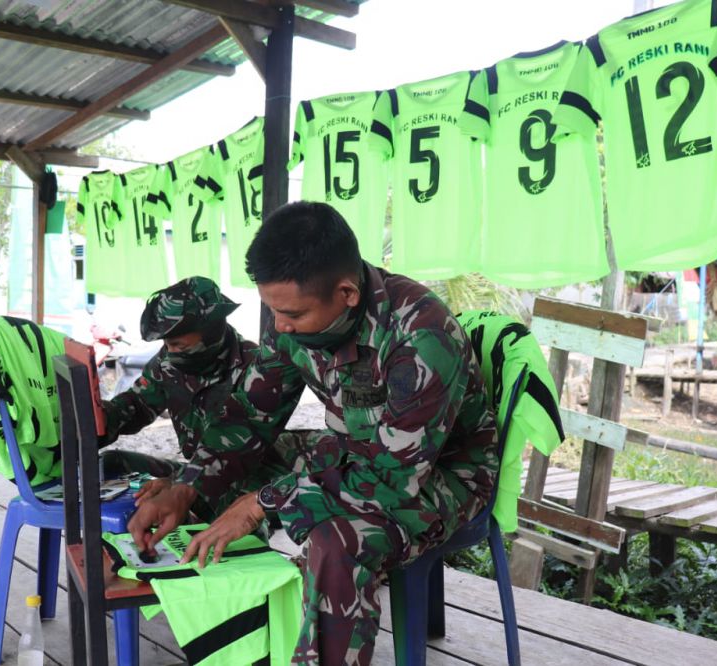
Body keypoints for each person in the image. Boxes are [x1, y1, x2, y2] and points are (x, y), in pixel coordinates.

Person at [175, 202, 499, 666]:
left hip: (440, 476)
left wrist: (263, 502)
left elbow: (391, 479)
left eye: (291, 314)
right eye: (272, 310)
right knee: (228, 468)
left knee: (337, 540)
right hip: (355, 452)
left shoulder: (421, 336)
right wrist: (186, 486)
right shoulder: (295, 314)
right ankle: (244, 637)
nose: (279, 325)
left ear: (346, 293)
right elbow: (249, 416)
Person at [103, 276, 294, 531]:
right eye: (166, 344)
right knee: (112, 463)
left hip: (245, 483)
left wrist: (180, 488)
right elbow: (137, 404)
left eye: (177, 344)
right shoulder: (170, 361)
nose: (169, 351)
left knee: (222, 518)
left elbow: (239, 447)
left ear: (211, 331)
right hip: (196, 473)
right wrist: (103, 417)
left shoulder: (257, 369)